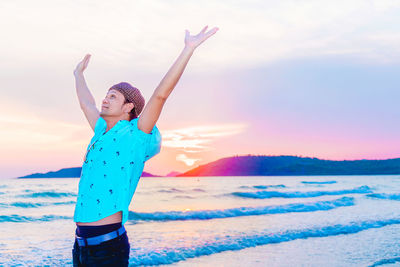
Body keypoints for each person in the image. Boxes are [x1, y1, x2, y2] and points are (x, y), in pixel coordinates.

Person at [71, 25, 219, 266]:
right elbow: (86, 104)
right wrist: (78, 75)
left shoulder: (136, 136)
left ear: (129, 108)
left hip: (107, 247)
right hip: (80, 246)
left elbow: (160, 95)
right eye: (106, 95)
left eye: (113, 97)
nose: (105, 99)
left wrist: (188, 49)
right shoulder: (100, 131)